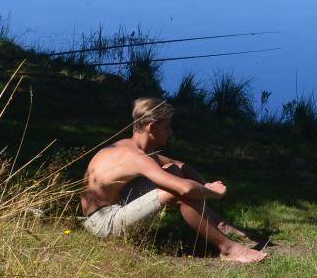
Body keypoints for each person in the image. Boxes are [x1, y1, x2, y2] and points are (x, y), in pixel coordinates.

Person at [80, 97, 265, 264]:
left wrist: (204, 184)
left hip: (113, 206)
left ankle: (218, 224)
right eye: (167, 127)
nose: (171, 132)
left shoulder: (132, 146)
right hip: (104, 224)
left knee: (174, 171)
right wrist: (215, 192)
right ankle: (228, 249)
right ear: (152, 127)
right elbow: (184, 189)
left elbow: (180, 165)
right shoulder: (136, 157)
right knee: (177, 192)